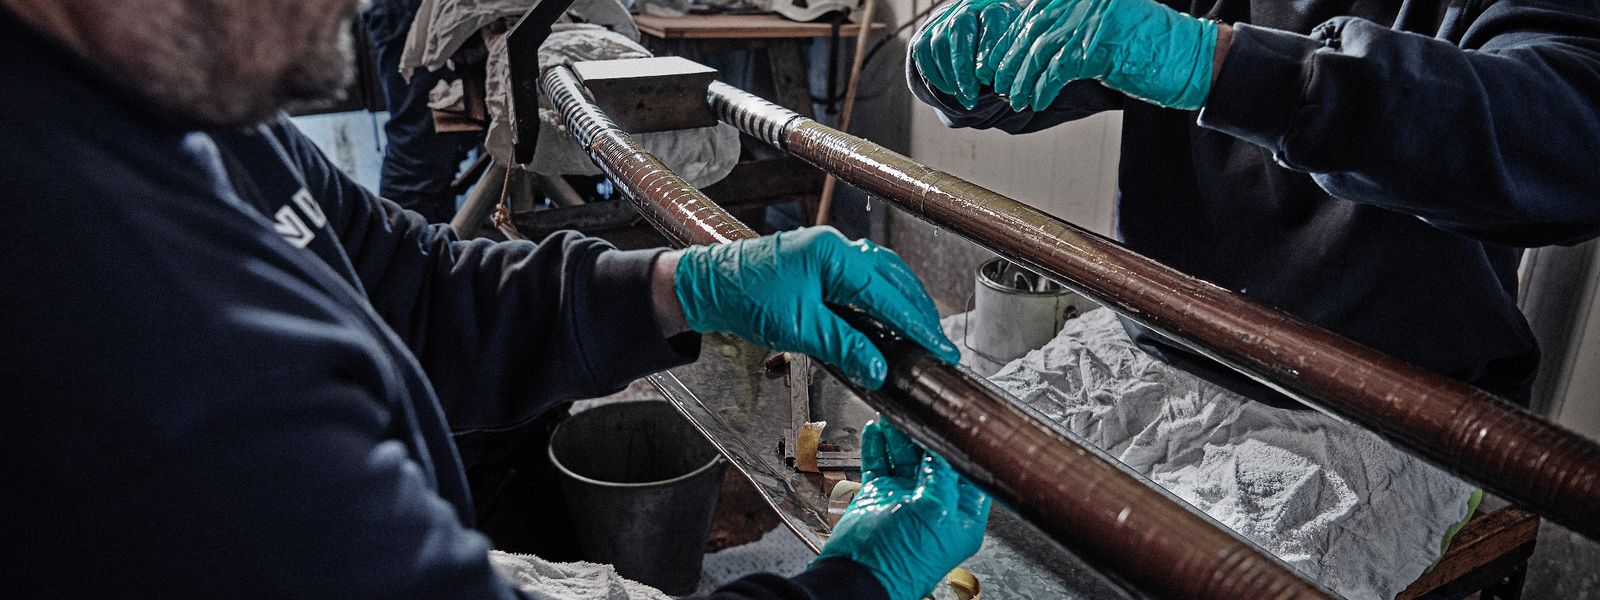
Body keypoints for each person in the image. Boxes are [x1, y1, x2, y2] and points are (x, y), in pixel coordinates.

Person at [0, 1, 989, 599]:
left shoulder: (174, 102)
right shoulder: (137, 357)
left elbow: (405, 288)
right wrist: (853, 587)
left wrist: (684, 286)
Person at [908, 0, 1600, 407]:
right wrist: (978, 61)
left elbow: (1571, 140)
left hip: (1384, 409)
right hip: (1170, 348)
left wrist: (1242, 70)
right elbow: (1078, 52)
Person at [363, 0, 480, 223]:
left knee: (443, 139)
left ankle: (432, 245)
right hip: (417, 10)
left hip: (431, 11)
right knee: (419, 155)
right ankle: (402, 253)